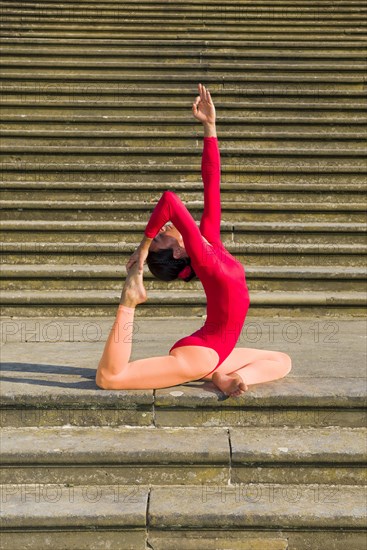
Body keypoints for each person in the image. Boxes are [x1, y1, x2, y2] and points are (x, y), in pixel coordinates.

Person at [96, 83, 292, 397]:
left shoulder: (210, 242)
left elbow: (212, 180)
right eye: (161, 239)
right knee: (110, 378)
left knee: (282, 360)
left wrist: (210, 127)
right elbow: (170, 201)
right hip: (198, 355)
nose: (161, 231)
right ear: (176, 254)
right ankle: (129, 301)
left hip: (215, 352)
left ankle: (221, 376)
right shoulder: (201, 255)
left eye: (158, 235)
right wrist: (144, 246)